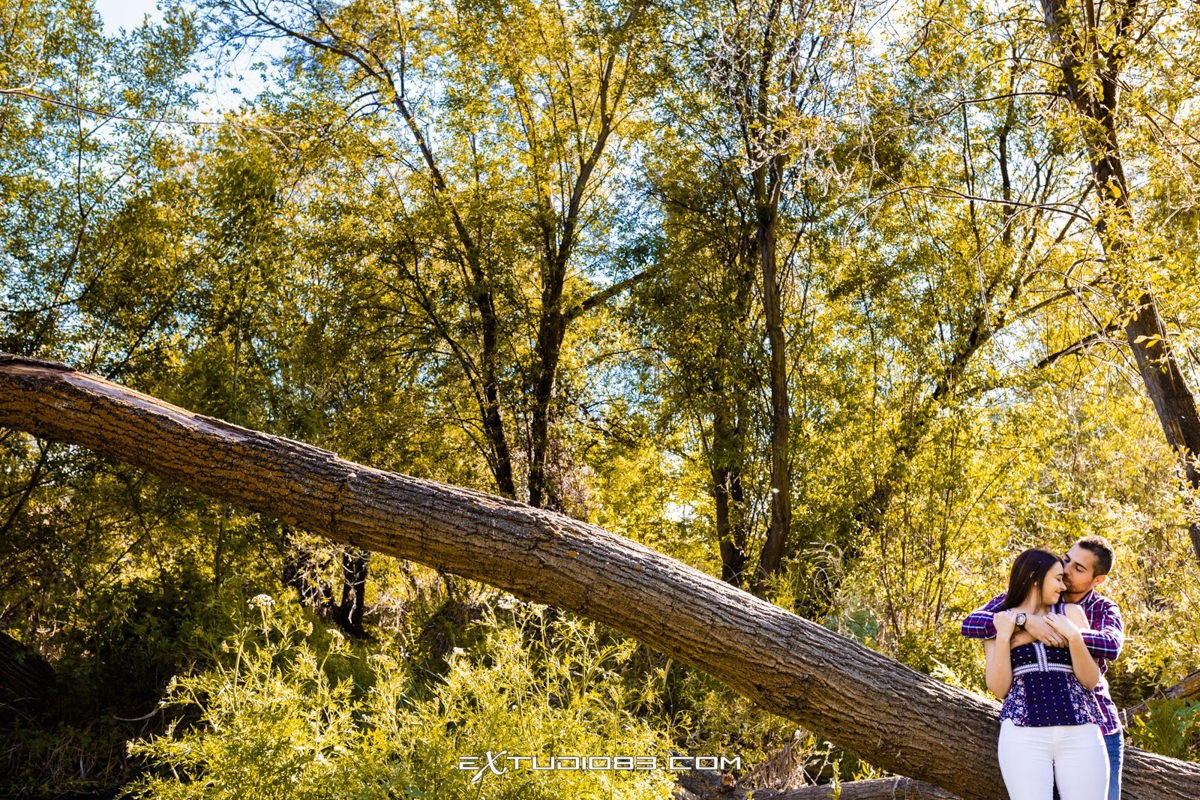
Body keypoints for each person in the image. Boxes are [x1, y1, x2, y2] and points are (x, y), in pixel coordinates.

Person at [962, 537, 1124, 800]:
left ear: (1097, 579)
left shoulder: (1078, 612)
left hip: (1088, 723)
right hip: (1025, 728)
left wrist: (1072, 636)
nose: (1066, 576)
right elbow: (972, 629)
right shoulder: (1002, 617)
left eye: (1077, 569)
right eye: (1062, 569)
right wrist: (1021, 628)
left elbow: (1108, 651)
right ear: (1036, 579)